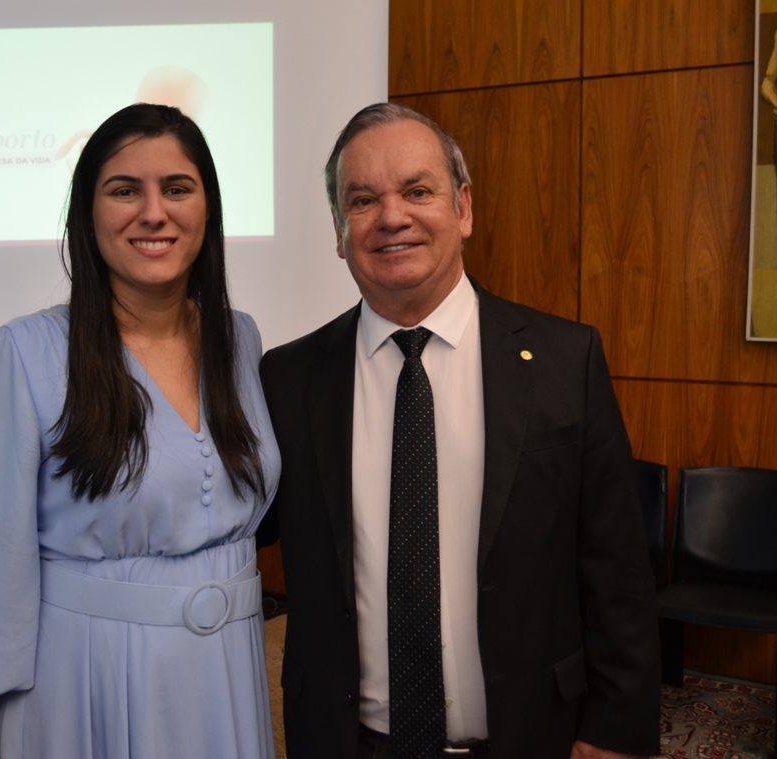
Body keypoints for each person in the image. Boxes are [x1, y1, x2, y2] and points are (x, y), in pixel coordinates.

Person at [256, 103, 660, 758]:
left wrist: (615, 729)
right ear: (339, 229)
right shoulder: (290, 376)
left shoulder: (564, 360)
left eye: (417, 190)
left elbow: (617, 566)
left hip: (530, 737)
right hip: (347, 740)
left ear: (463, 208)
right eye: (363, 199)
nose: (392, 216)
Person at [0, 103, 280, 759]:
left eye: (177, 188)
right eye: (123, 190)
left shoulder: (240, 338)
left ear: (208, 209)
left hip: (227, 672)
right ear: (89, 213)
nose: (153, 211)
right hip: (88, 676)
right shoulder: (27, 352)